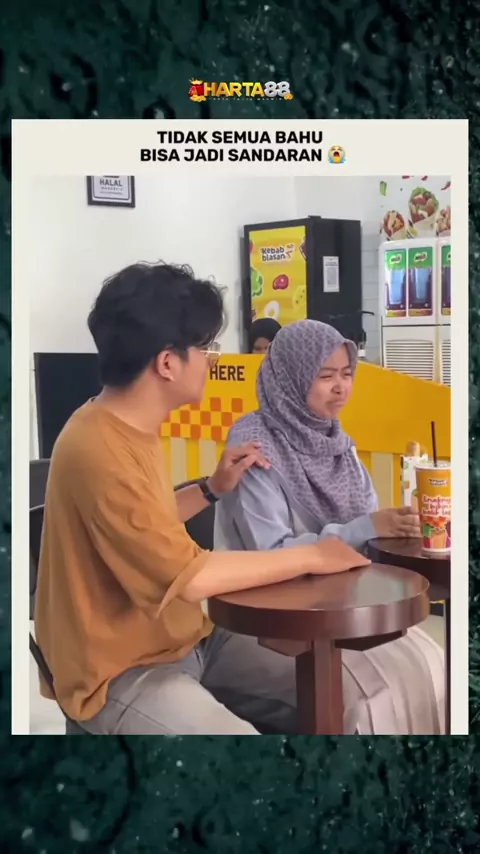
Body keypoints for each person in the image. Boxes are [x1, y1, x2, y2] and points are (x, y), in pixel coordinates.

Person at [35, 263, 370, 736]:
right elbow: (190, 576)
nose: (212, 361)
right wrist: (315, 554)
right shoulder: (99, 449)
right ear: (167, 363)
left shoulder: (128, 424)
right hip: (119, 668)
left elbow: (142, 526)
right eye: (207, 348)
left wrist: (212, 488)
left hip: (189, 634)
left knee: (345, 694)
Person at [215, 319, 445, 735]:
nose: (340, 388)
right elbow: (271, 555)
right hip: (263, 623)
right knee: (371, 697)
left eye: (346, 374)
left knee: (433, 663)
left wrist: (399, 528)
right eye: (325, 376)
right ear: (291, 378)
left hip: (340, 611)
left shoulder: (338, 444)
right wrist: (364, 528)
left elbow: (368, 528)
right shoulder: (254, 448)